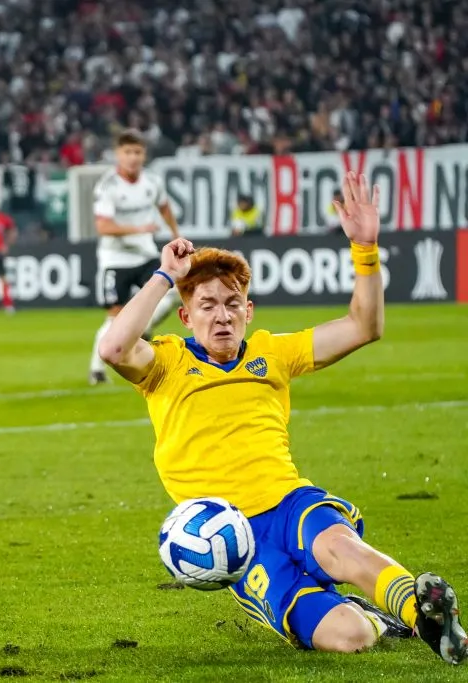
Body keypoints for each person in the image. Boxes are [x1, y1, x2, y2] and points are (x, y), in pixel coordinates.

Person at [97, 172, 467, 663]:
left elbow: (365, 325)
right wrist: (165, 276)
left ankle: (426, 615)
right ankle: (376, 616)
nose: (221, 316)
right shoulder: (165, 363)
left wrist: (366, 248)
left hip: (290, 501)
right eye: (206, 305)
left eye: (232, 304)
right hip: (234, 539)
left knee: (340, 549)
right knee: (351, 635)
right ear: (186, 317)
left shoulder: (274, 352)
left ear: (248, 311)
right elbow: (113, 346)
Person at [89, 129, 180, 386]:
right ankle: (97, 369)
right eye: (128, 152)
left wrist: (175, 233)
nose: (133, 157)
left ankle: (143, 327)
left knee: (172, 291)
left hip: (145, 253)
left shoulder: (152, 182)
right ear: (118, 155)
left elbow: (164, 205)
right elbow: (103, 227)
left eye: (138, 152)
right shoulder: (108, 186)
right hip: (115, 259)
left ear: (144, 155)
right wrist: (138, 229)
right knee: (115, 316)